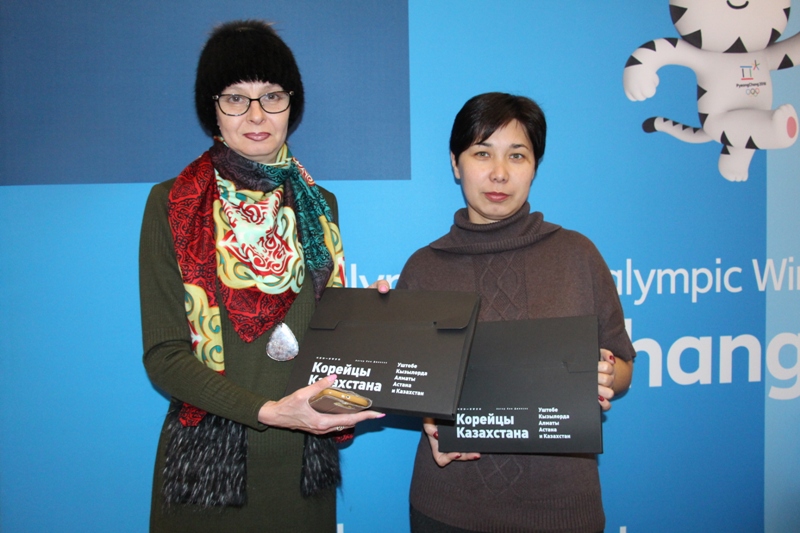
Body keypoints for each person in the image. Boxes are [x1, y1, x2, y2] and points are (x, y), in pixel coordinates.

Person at [138, 20, 384, 532]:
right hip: (208, 473)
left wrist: (377, 321)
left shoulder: (321, 207)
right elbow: (165, 357)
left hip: (301, 470)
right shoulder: (172, 203)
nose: (256, 115)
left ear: (292, 104)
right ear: (212, 109)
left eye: (271, 96)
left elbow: (330, 338)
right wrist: (268, 412)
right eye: (236, 98)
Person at [398, 92, 635, 533]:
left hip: (562, 508)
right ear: (455, 163)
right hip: (448, 509)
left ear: (535, 166)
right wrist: (429, 419)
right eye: (482, 153)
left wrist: (607, 373)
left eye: (517, 155)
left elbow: (623, 366)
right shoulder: (424, 268)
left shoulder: (577, 255)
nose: (499, 173)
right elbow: (408, 385)